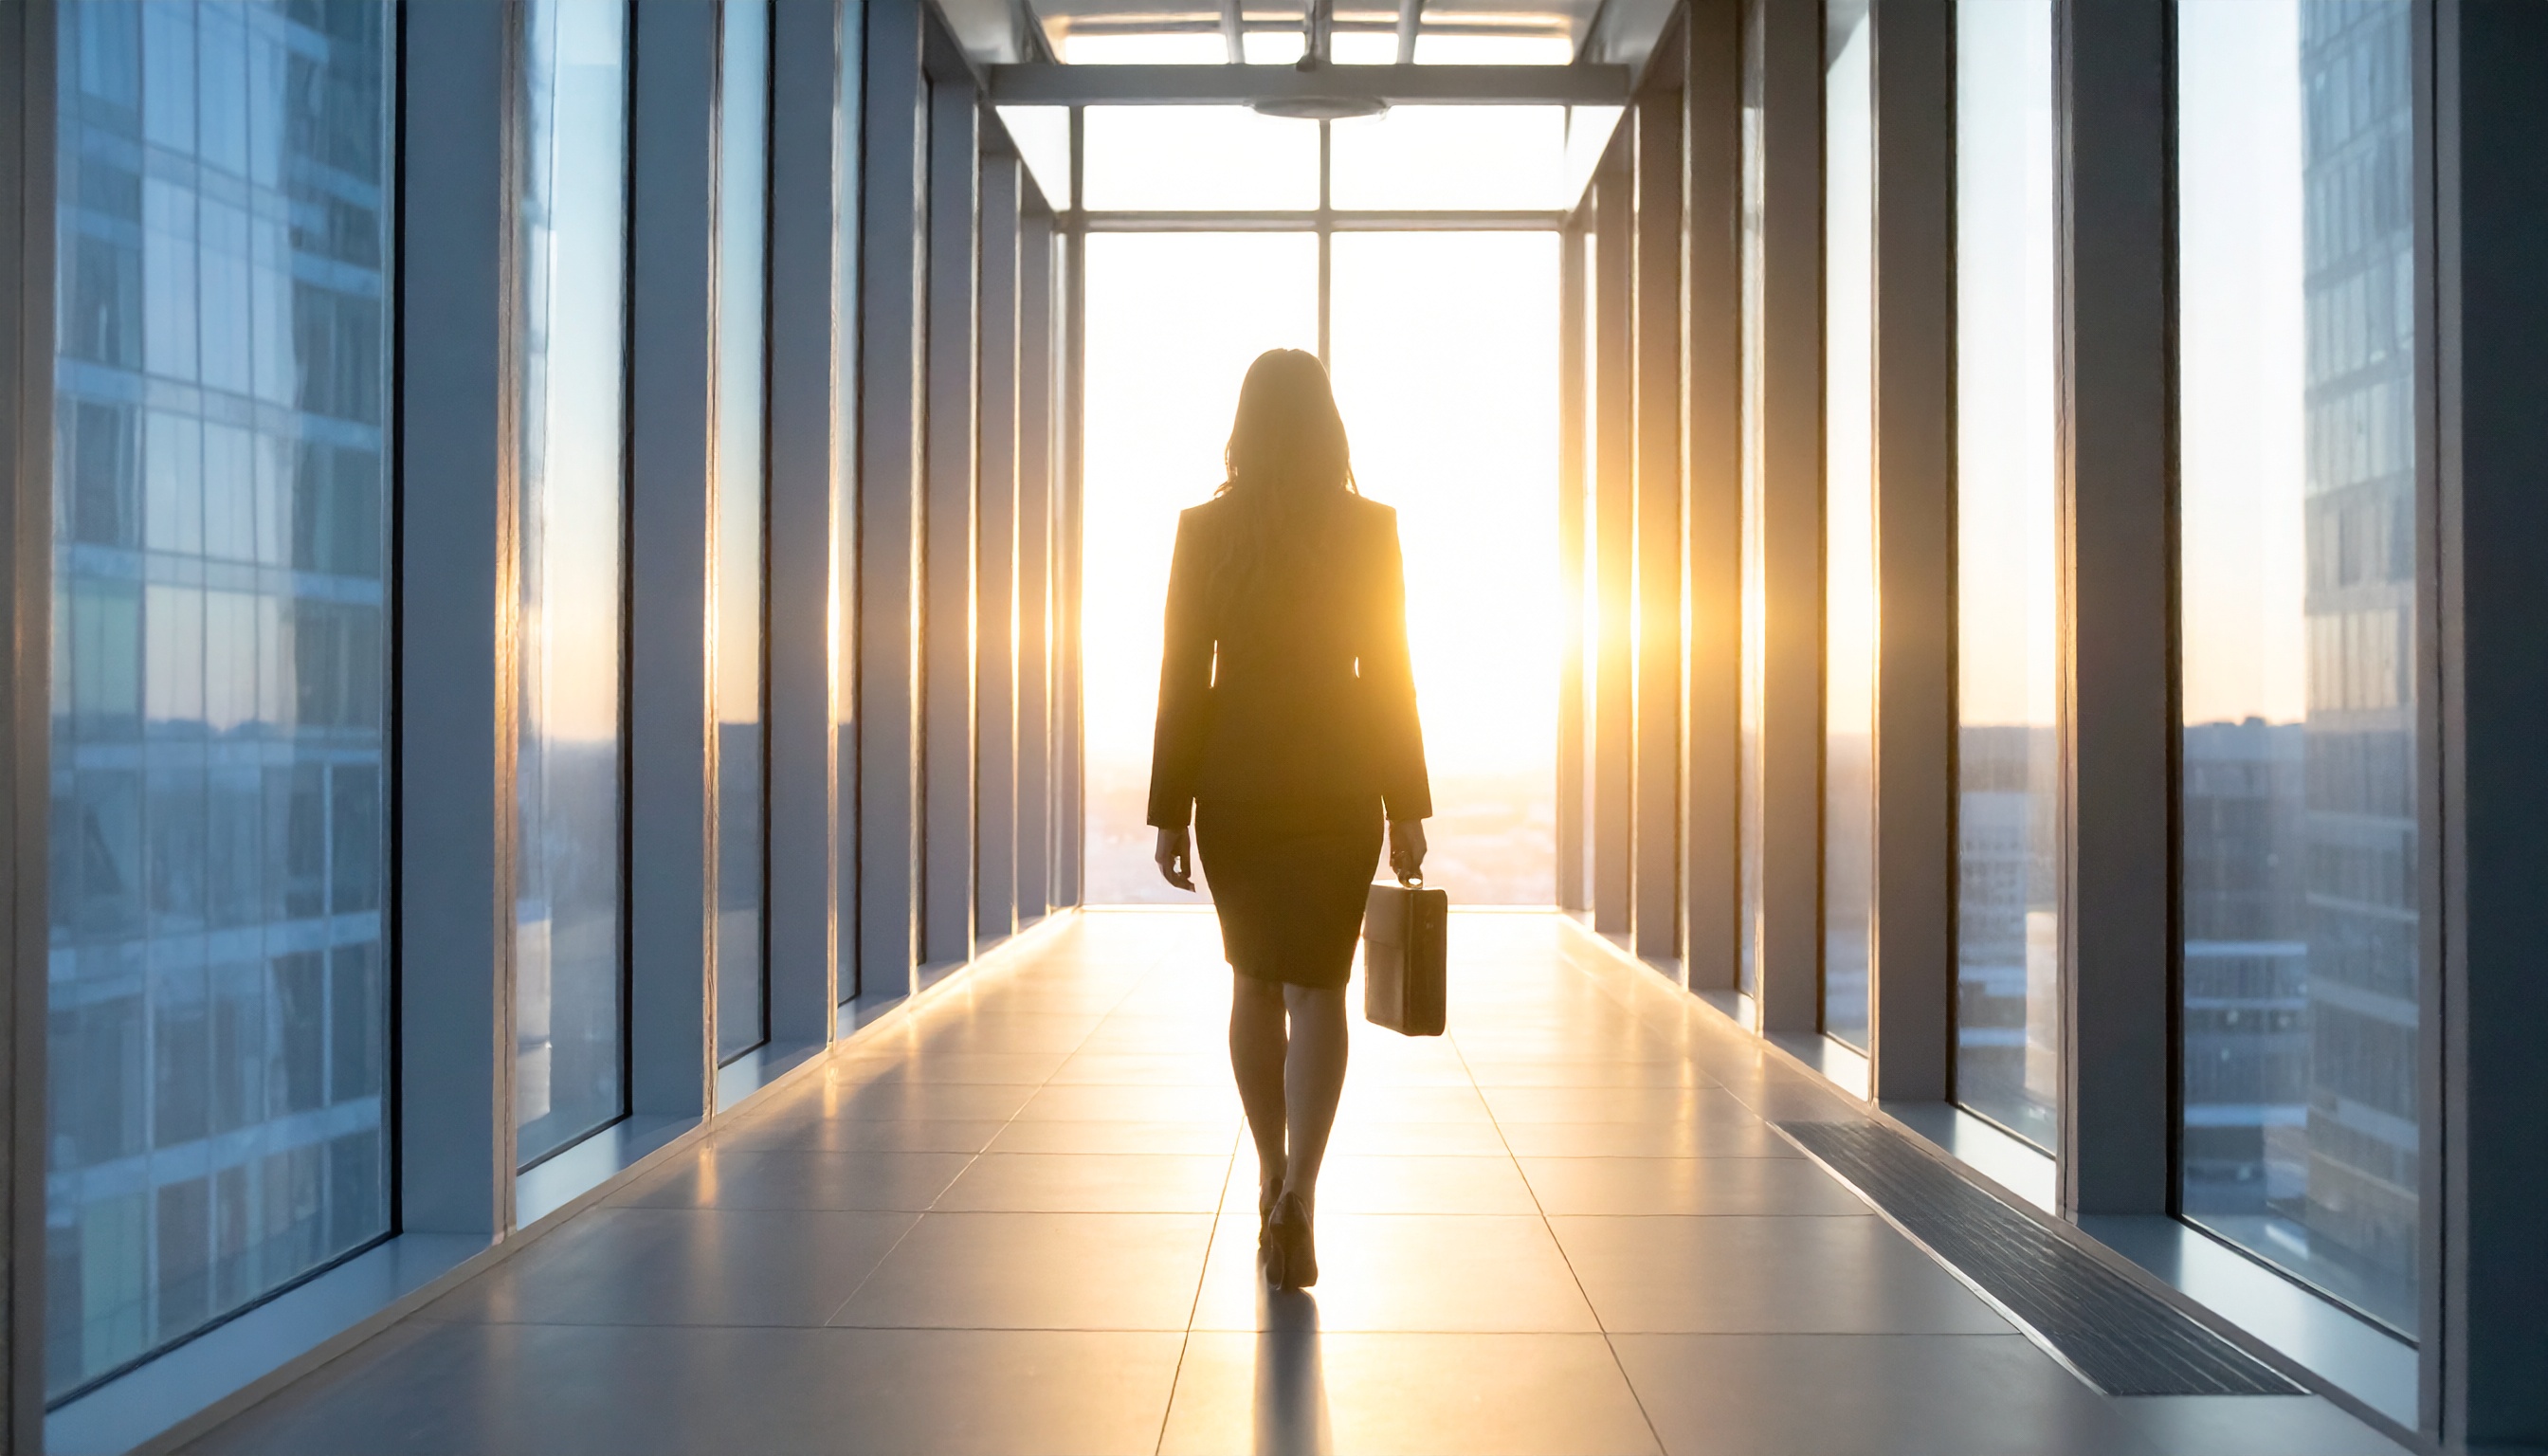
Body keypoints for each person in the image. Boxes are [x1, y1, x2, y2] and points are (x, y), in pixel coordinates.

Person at [1147, 348, 1432, 1292]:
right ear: (1328, 424)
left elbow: (1185, 678)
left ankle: (1269, 1171)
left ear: (1245, 423)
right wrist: (1406, 807)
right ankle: (1302, 1193)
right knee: (1320, 990)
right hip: (1338, 784)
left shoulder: (1204, 530)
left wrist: (1171, 812)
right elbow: (1389, 674)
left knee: (1253, 987)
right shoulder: (1369, 528)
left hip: (1235, 787)